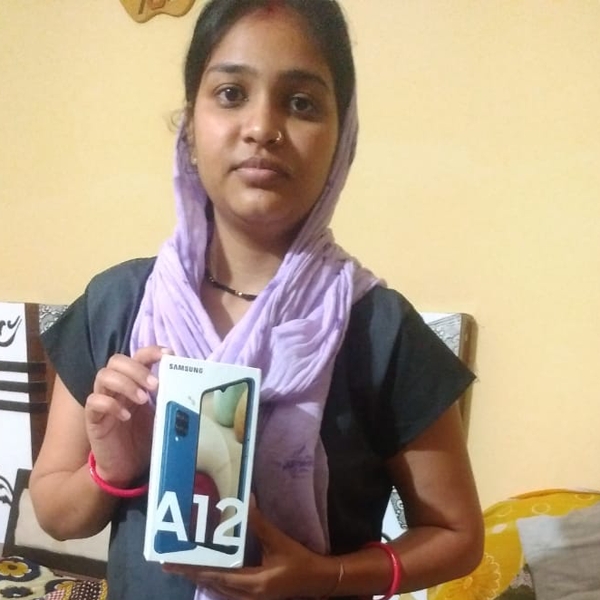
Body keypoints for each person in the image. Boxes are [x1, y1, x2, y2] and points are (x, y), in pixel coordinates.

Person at [30, 1, 484, 599]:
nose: (263, 126)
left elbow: (457, 535)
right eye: (230, 92)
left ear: (341, 139)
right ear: (190, 126)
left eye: (301, 103)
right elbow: (59, 515)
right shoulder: (116, 305)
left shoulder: (380, 331)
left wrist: (328, 576)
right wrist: (111, 468)